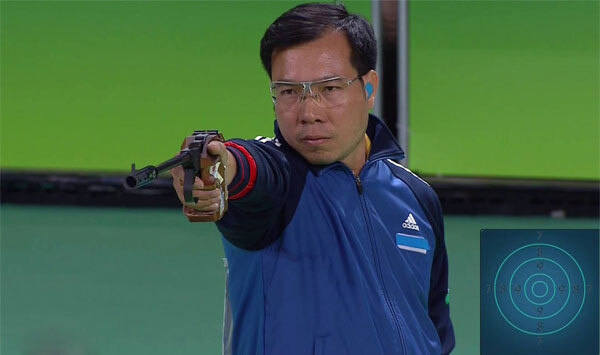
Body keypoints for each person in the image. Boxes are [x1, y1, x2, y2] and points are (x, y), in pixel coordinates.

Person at [171, 3, 455, 355]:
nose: (309, 114)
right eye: (289, 92)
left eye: (330, 89)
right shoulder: (278, 181)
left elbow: (432, 325)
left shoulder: (416, 196)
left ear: (368, 88)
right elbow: (247, 166)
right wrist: (217, 167)